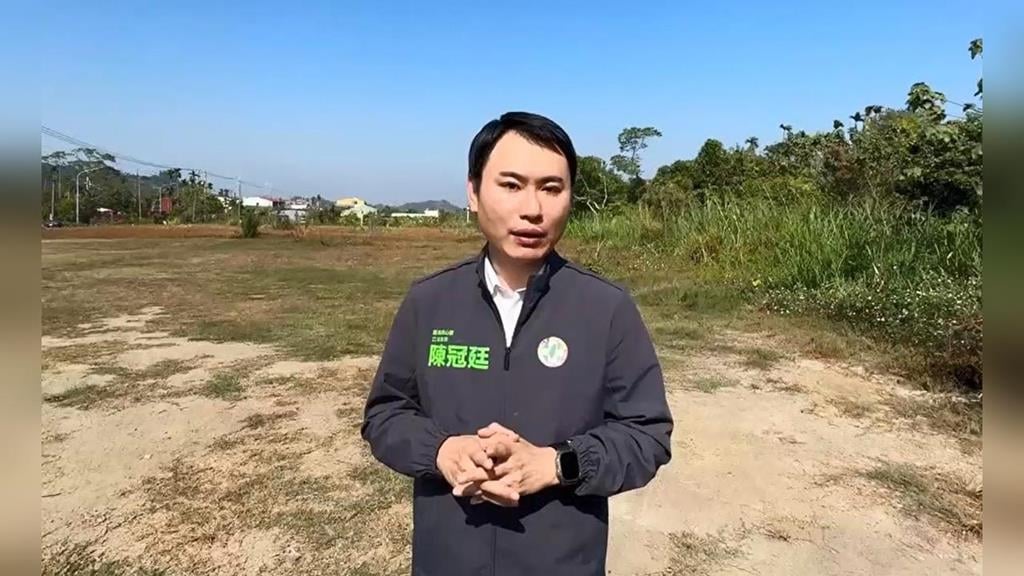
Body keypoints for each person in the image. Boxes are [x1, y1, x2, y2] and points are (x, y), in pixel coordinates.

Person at [361, 111, 673, 576]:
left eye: (551, 188)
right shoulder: (429, 302)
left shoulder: (606, 308)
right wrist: (441, 451)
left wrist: (557, 464)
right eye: (511, 185)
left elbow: (647, 434)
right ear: (473, 192)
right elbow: (385, 414)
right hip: (447, 559)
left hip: (562, 562)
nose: (533, 209)